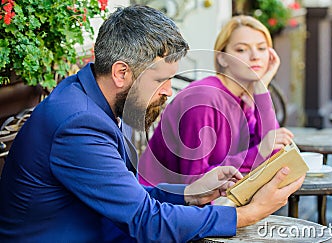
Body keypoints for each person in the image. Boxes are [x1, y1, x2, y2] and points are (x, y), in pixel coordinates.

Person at [0, 6, 304, 242]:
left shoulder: (88, 97)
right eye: (161, 79)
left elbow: (130, 195)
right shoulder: (80, 124)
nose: (169, 91)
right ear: (121, 73)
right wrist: (247, 214)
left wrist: (191, 194)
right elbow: (146, 221)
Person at [138, 15, 294, 186]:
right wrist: (259, 152)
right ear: (222, 58)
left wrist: (261, 89)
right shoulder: (203, 99)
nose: (255, 56)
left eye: (262, 48)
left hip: (218, 196)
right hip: (161, 202)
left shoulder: (244, 99)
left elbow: (273, 153)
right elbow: (194, 180)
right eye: (241, 49)